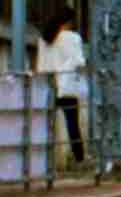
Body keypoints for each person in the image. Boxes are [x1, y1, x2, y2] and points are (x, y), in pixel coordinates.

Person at [37, 12, 91, 178]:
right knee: (72, 124)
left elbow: (41, 64)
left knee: (46, 125)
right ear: (68, 22)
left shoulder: (44, 39)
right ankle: (79, 157)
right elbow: (79, 61)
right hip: (66, 87)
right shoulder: (72, 38)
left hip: (48, 86)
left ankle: (43, 160)